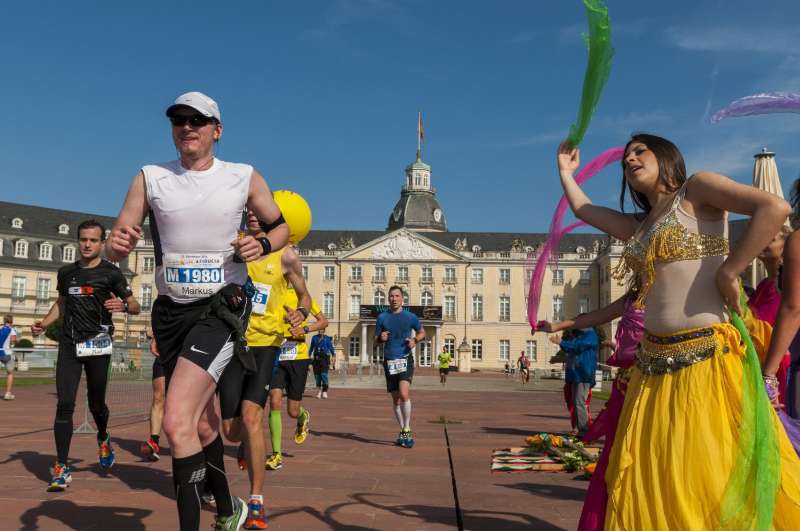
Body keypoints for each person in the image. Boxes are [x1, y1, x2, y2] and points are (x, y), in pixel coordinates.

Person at [558, 134, 800, 528]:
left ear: (667, 157)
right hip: (652, 373)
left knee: (708, 471)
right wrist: (566, 172)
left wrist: (730, 270)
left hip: (706, 363)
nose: (630, 159)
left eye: (640, 151)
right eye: (625, 158)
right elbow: (583, 208)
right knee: (659, 477)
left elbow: (773, 207)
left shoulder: (697, 189)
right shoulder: (639, 225)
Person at [105, 91, 289, 531]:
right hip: (170, 313)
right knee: (203, 425)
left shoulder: (243, 177)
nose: (187, 127)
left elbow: (280, 227)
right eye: (178, 120)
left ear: (216, 130)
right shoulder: (150, 177)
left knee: (174, 419)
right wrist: (117, 246)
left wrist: (260, 243)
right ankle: (229, 511)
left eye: (198, 120)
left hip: (221, 308)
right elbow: (117, 240)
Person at [219, 193, 312, 530]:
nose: (254, 215)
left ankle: (256, 500)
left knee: (252, 416)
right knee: (231, 431)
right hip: (231, 343)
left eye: (260, 211)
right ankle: (246, 444)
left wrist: (299, 315)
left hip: (265, 345)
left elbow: (304, 296)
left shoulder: (285, 256)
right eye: (250, 211)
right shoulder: (231, 247)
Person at [31, 219, 141, 492]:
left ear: (102, 243)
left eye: (93, 240)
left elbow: (135, 305)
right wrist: (43, 323)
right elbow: (62, 303)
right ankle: (61, 465)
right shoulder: (66, 273)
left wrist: (124, 306)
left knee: (96, 404)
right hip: (69, 345)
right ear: (78, 241)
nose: (87, 244)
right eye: (83, 240)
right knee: (64, 403)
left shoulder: (111, 274)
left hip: (97, 344)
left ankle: (103, 437)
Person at [264, 287, 327, 472]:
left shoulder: (303, 298)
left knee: (292, 410)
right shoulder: (273, 293)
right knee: (274, 401)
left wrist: (304, 328)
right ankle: (276, 454)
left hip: (298, 357)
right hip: (276, 353)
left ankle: (302, 416)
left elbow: (324, 321)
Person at [375, 286, 425, 448]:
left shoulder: (410, 317)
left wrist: (414, 341)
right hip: (389, 361)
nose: (394, 299)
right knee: (396, 400)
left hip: (405, 359)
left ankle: (407, 428)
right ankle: (403, 429)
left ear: (402, 298)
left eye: (397, 296)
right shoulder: (382, 317)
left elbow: (422, 332)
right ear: (388, 299)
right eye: (391, 296)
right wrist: (380, 338)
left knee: (404, 394)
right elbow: (375, 340)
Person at [548, 325, 598, 437]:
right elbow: (570, 350)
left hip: (584, 374)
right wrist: (561, 345)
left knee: (580, 402)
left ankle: (584, 430)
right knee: (575, 403)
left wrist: (561, 342)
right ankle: (578, 428)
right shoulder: (579, 336)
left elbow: (577, 347)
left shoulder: (590, 335)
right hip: (576, 374)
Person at [140, 328, 165, 461]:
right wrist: (155, 337)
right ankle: (154, 442)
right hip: (165, 349)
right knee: (158, 396)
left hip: (188, 350)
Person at [311, 330, 335, 398]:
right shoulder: (314, 337)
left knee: (324, 375)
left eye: (322, 330)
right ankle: (319, 391)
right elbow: (311, 347)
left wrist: (333, 355)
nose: (321, 331)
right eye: (319, 329)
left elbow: (330, 347)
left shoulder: (327, 338)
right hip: (316, 359)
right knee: (317, 376)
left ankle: (324, 391)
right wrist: (308, 356)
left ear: (324, 330)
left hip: (324, 359)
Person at [1, 315, 18, 400]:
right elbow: (13, 341)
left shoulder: (1, 329)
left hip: (0, 353)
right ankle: (8, 393)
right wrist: (16, 340)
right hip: (7, 354)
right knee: (10, 373)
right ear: (12, 321)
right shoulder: (12, 330)